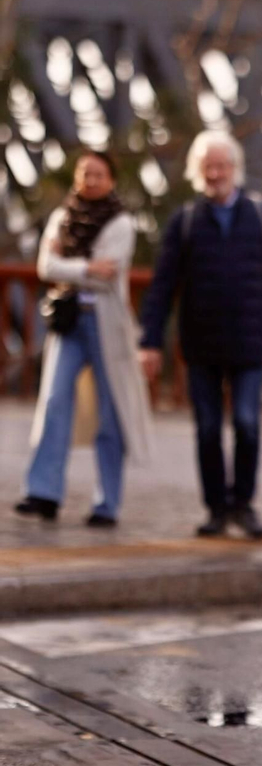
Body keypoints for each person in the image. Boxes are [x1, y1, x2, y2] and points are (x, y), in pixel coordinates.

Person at [138, 131, 262, 540]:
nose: (215, 173)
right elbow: (162, 286)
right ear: (198, 171)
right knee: (207, 429)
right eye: (208, 166)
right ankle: (216, 508)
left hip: (250, 343)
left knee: (246, 422)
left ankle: (243, 504)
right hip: (201, 344)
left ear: (235, 169)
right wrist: (150, 341)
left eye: (221, 165)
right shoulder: (186, 222)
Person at [15, 150, 152, 526]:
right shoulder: (62, 217)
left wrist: (71, 267)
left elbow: (108, 274)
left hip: (107, 324)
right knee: (56, 401)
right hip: (69, 321)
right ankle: (43, 492)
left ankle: (107, 502)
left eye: (98, 174)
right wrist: (87, 266)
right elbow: (46, 267)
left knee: (112, 412)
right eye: (85, 173)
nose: (90, 180)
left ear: (111, 179)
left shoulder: (121, 223)